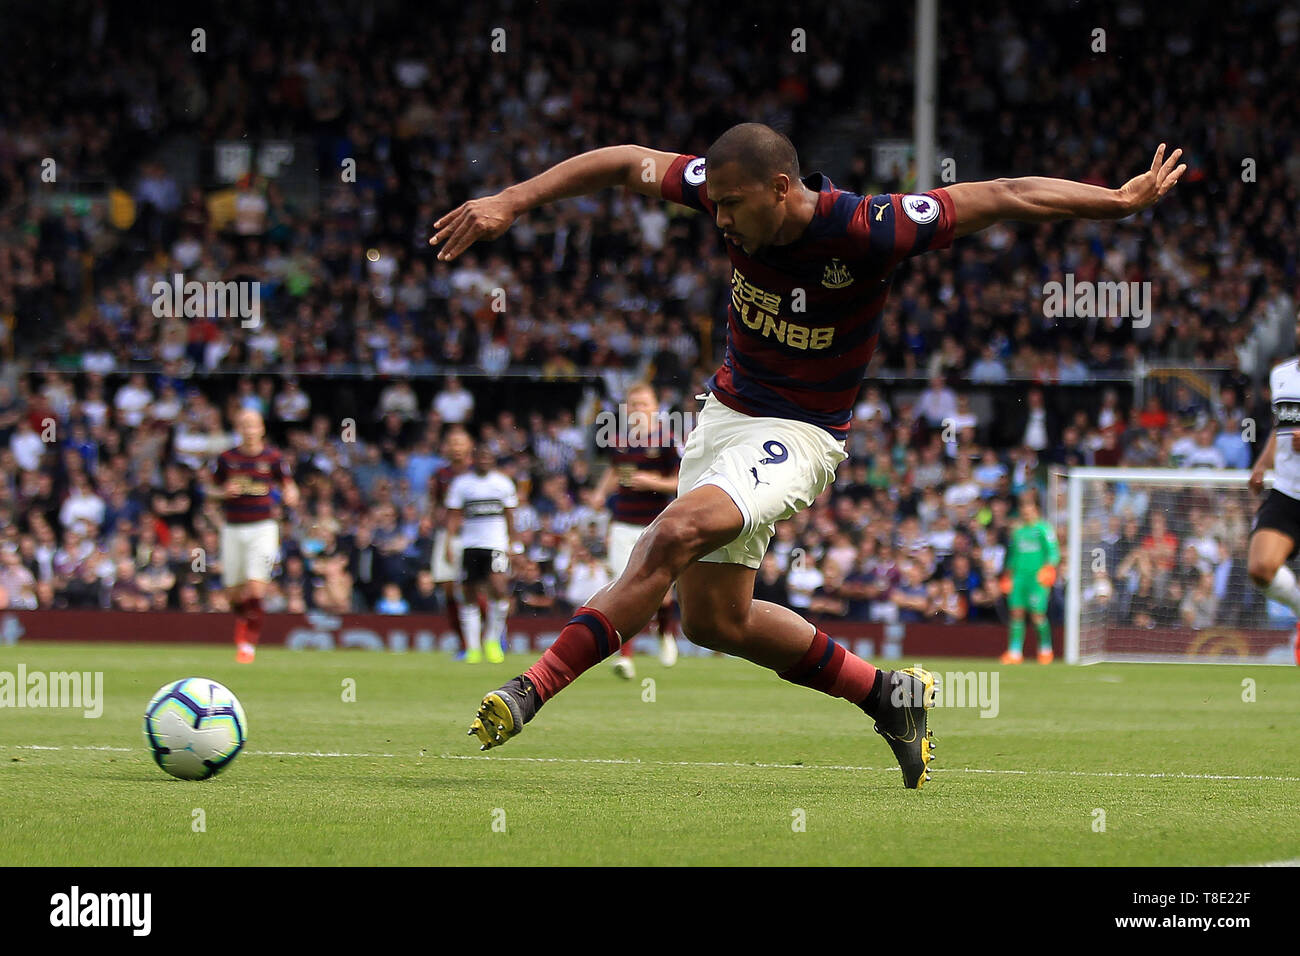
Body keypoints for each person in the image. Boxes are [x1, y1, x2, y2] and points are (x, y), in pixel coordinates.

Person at [432, 121, 1184, 789]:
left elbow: (1006, 192)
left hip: (801, 432)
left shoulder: (869, 227)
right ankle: (887, 694)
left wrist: (1115, 202)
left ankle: (531, 688)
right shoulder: (721, 190)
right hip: (726, 415)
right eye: (713, 203)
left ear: (781, 188)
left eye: (731, 206)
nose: (717, 218)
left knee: (671, 532)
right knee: (713, 623)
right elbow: (624, 159)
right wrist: (512, 200)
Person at [592, 383, 681, 679]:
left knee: (662, 592)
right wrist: (598, 494)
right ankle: (625, 657)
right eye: (633, 405)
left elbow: (681, 482)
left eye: (644, 404)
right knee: (623, 588)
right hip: (622, 522)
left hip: (657, 524)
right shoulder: (618, 440)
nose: (638, 410)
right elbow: (615, 472)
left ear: (655, 408)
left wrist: (651, 482)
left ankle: (665, 635)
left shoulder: (668, 440)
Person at [211, 408, 299, 663]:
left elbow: (288, 483)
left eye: (254, 425)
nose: (249, 431)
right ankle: (242, 624)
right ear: (238, 429)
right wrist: (222, 492)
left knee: (255, 586)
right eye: (244, 426)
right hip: (233, 528)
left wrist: (291, 494)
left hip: (263, 527)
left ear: (261, 429)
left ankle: (248, 644)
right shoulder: (227, 459)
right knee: (234, 594)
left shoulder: (273, 457)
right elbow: (209, 488)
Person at [1246, 350, 1300, 665]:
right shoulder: (1281, 374)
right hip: (1287, 491)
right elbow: (1279, 429)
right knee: (1260, 567)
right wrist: (1261, 464)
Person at [444, 442, 518, 664]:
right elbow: (454, 516)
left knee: (499, 588)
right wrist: (448, 542)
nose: (484, 460)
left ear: (493, 460)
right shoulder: (462, 484)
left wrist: (513, 543)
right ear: (473, 459)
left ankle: (493, 640)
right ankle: (473, 647)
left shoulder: (502, 483)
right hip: (470, 544)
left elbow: (510, 516)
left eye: (488, 456)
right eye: (480, 456)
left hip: (495, 544)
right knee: (468, 593)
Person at [999, 493, 1060, 664]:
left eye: (1029, 509)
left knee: (1037, 614)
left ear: (1036, 510)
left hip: (1037, 578)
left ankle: (1046, 650)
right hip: (1019, 578)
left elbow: (1053, 552)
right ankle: (1015, 652)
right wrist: (1008, 574)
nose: (1026, 513)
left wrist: (1049, 568)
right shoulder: (1018, 532)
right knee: (1016, 613)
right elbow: (1013, 555)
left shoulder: (1043, 529)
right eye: (1023, 510)